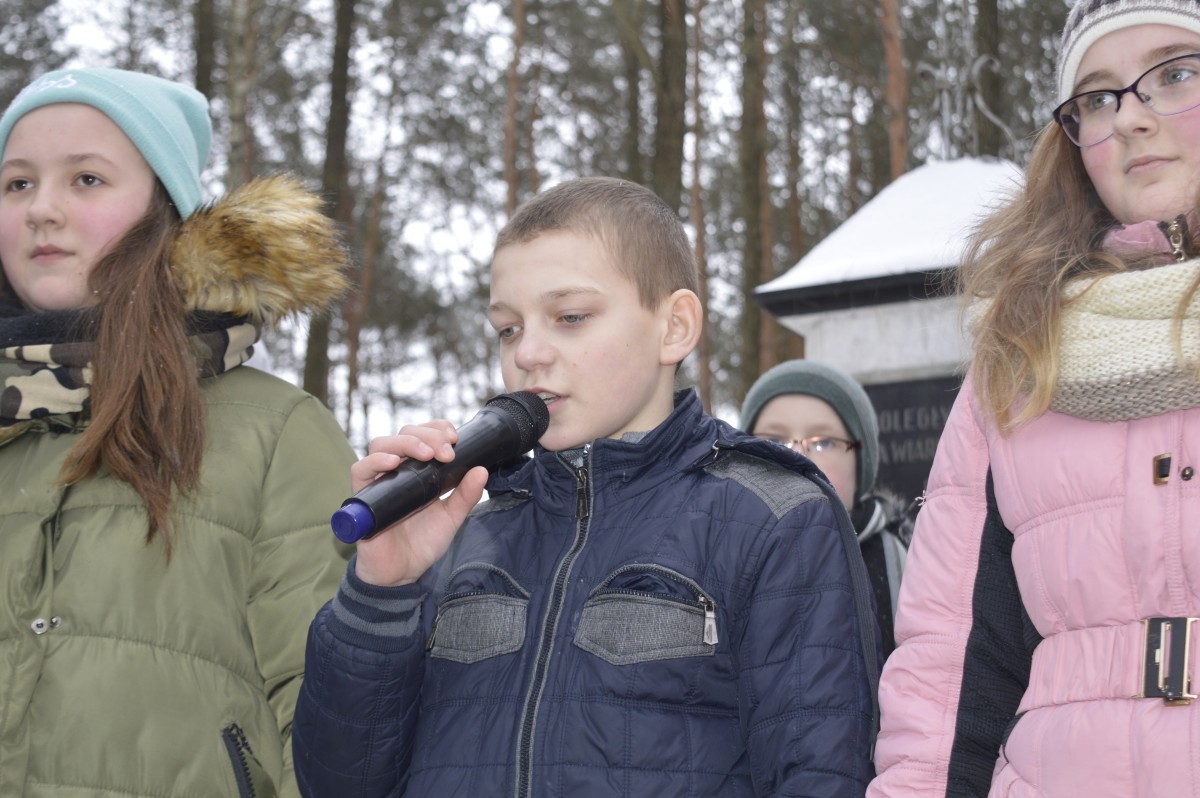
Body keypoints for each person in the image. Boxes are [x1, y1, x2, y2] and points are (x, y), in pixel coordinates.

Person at [292, 176, 879, 797]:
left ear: (674, 327)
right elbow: (338, 784)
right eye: (508, 328)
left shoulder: (774, 518)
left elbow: (821, 776)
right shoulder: (464, 533)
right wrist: (380, 595)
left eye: (570, 317)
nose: (528, 353)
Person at [869, 1, 1200, 795]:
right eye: (1099, 96)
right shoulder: (1017, 357)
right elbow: (949, 658)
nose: (1130, 118)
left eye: (1176, 73)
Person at [0, 67, 355, 798]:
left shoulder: (279, 435)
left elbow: (331, 718)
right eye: (17, 183)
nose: (41, 209)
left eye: (87, 179)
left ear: (165, 213)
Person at [740, 359, 912, 658]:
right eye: (774, 440)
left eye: (823, 442)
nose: (797, 455)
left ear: (860, 465)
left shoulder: (904, 566)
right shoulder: (719, 558)